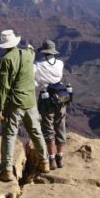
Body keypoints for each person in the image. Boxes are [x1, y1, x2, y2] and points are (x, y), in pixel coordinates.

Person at [0, 29, 49, 182]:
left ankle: (7, 171)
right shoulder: (27, 55)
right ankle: (45, 162)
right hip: (30, 101)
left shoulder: (6, 60)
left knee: (10, 135)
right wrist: (30, 47)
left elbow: (2, 86)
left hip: (15, 103)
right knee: (36, 132)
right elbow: (31, 51)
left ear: (4, 45)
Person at [34, 40, 68, 169]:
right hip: (61, 98)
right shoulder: (60, 63)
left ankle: (52, 160)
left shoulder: (37, 65)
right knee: (60, 126)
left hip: (46, 99)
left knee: (48, 128)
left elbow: (35, 82)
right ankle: (60, 158)